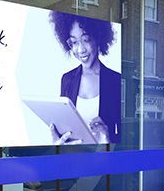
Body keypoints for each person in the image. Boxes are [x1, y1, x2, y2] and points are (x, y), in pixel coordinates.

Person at [48, 11, 121, 144]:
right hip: (73, 156)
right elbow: (64, 130)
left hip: (103, 157)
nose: (80, 50)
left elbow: (127, 138)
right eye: (74, 42)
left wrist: (108, 139)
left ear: (98, 38)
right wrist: (57, 143)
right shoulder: (67, 79)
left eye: (86, 40)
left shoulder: (115, 81)